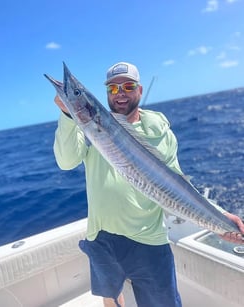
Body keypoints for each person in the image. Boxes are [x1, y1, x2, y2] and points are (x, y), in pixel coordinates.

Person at [53, 62, 244, 307]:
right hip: (102, 236)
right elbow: (66, 162)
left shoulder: (160, 132)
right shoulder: (88, 127)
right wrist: (68, 114)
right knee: (111, 297)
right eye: (112, 88)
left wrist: (220, 219)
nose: (120, 92)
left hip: (149, 239)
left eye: (128, 86)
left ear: (139, 91)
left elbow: (176, 184)